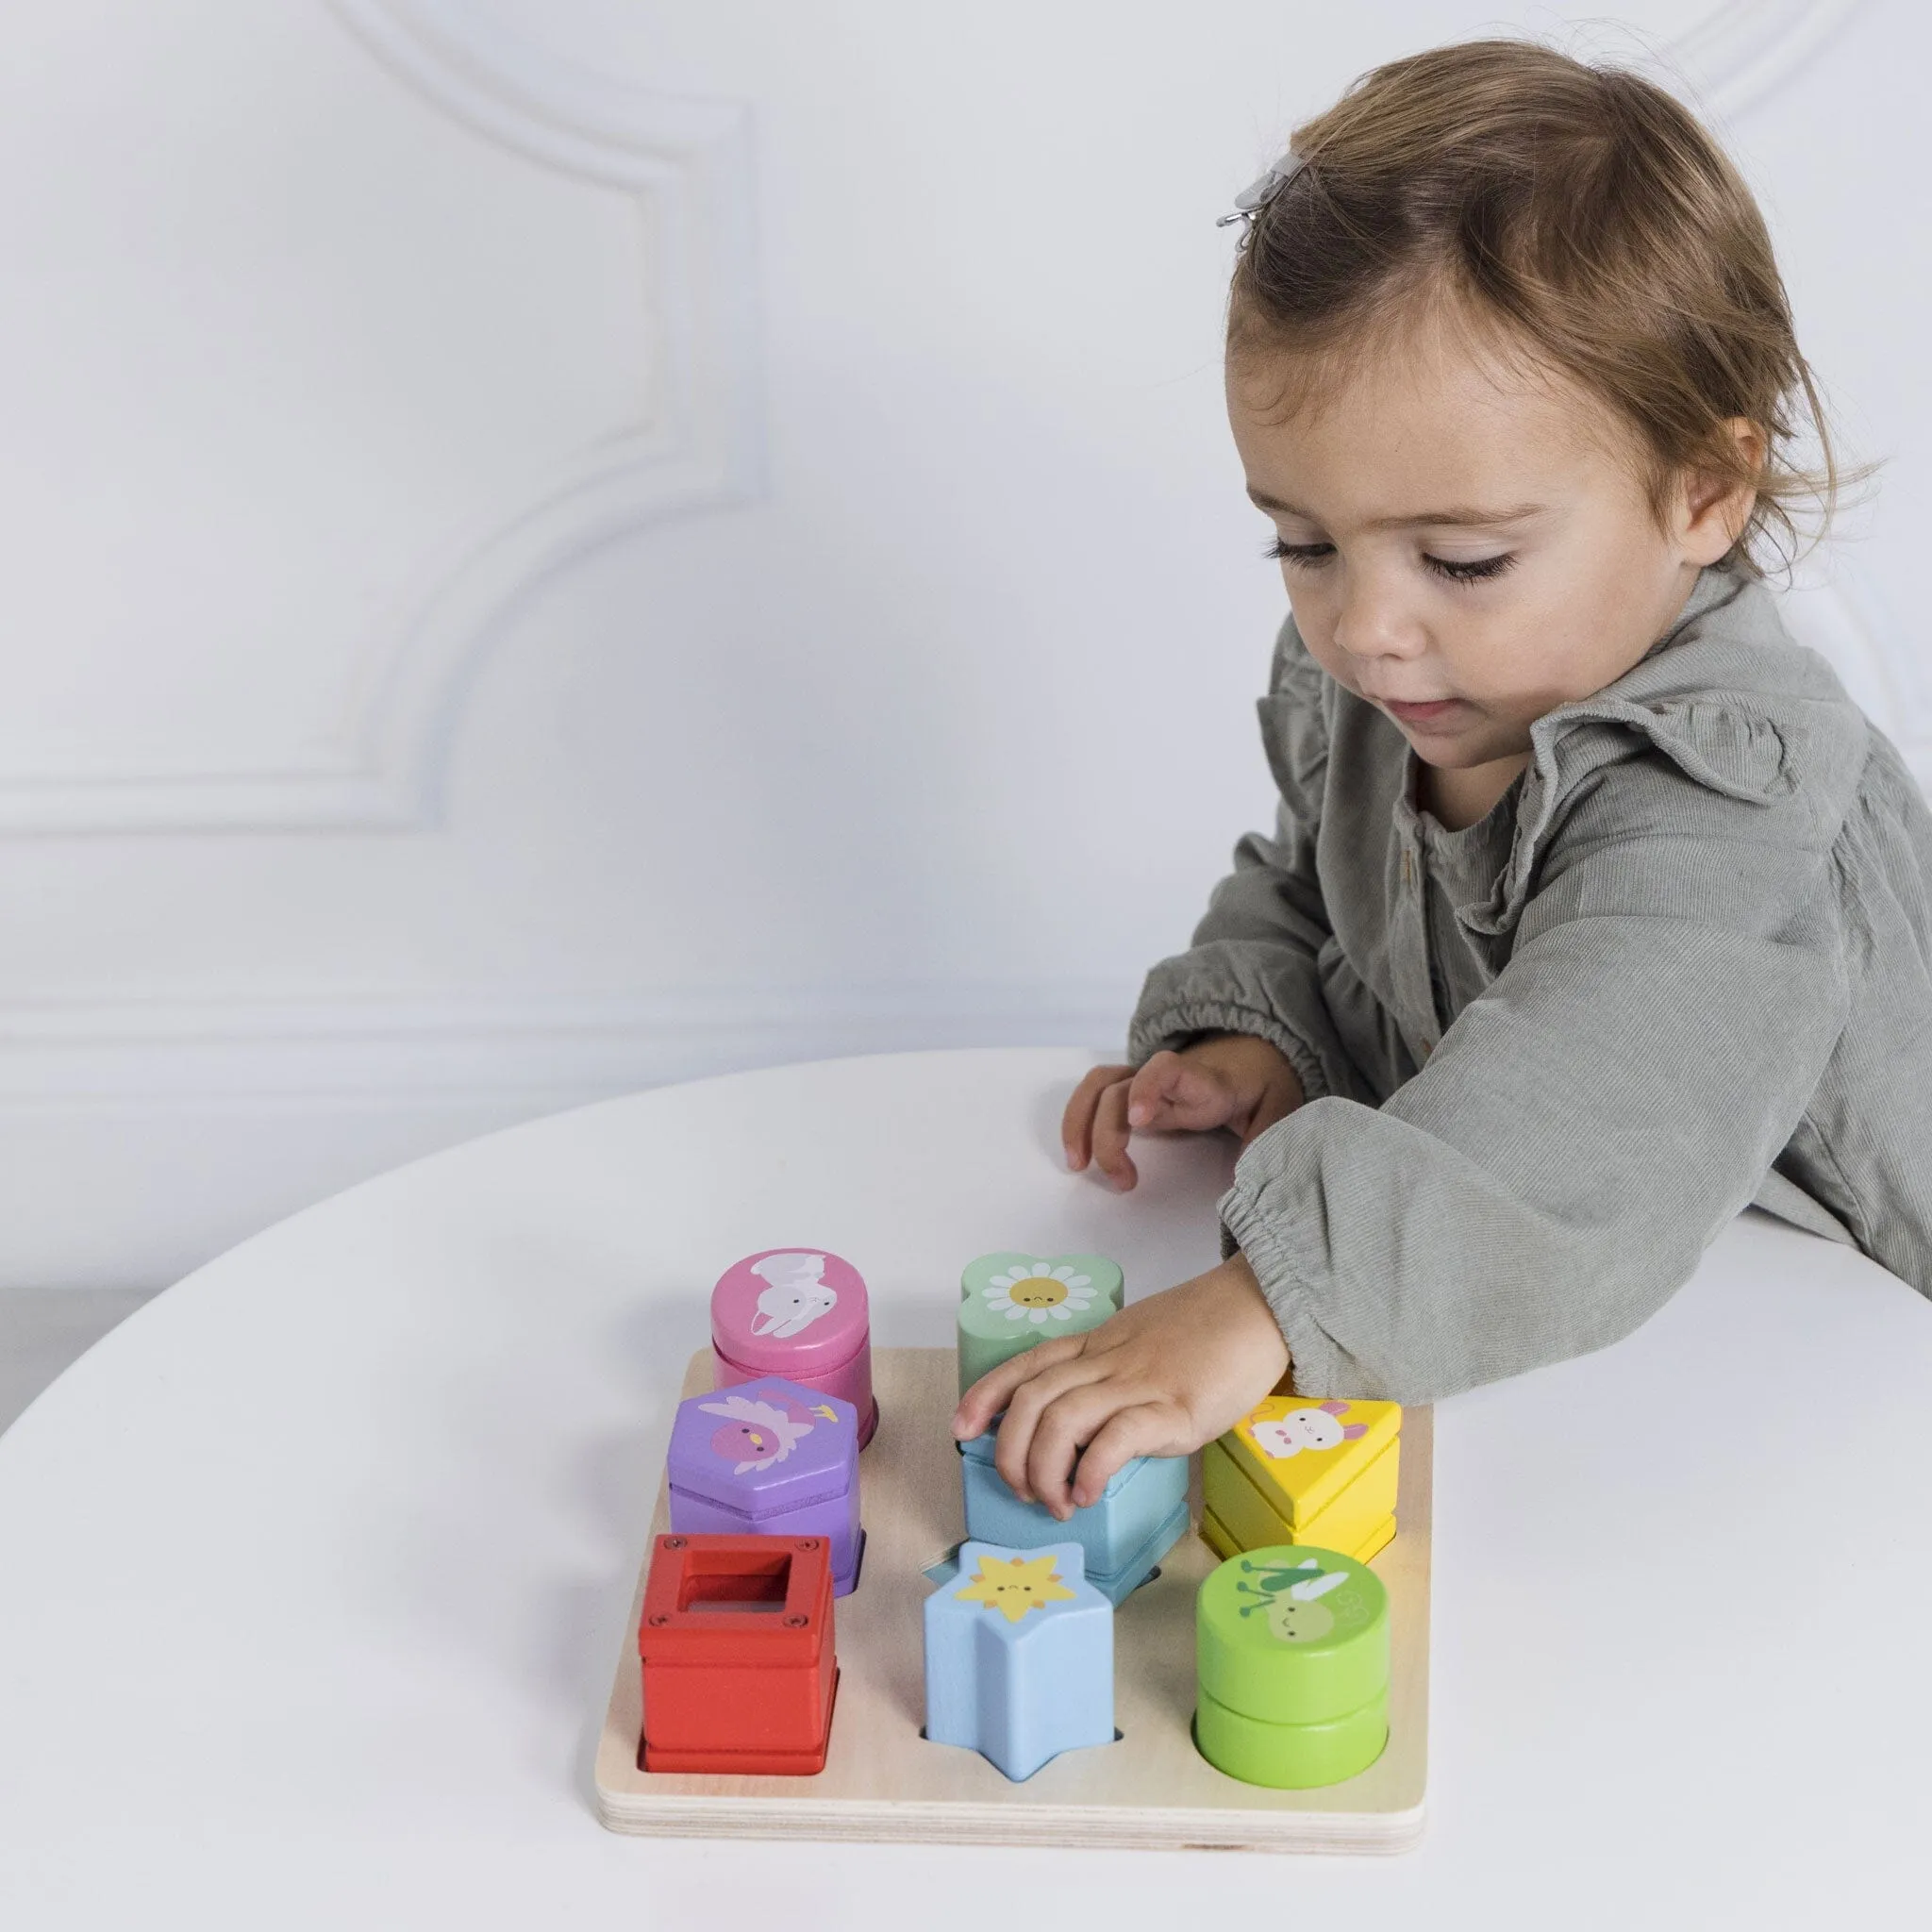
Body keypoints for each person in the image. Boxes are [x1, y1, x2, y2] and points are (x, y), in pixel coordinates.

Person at [951, 36, 1932, 1522]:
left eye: (1464, 558)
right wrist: (1262, 1017)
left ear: (1704, 495)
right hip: (1594, 1344)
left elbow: (1593, 1113)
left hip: (1841, 1351)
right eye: (1306, 543)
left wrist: (1268, 1303)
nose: (1365, 625)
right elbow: (1324, 884)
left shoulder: (1731, 799)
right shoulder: (1418, 681)